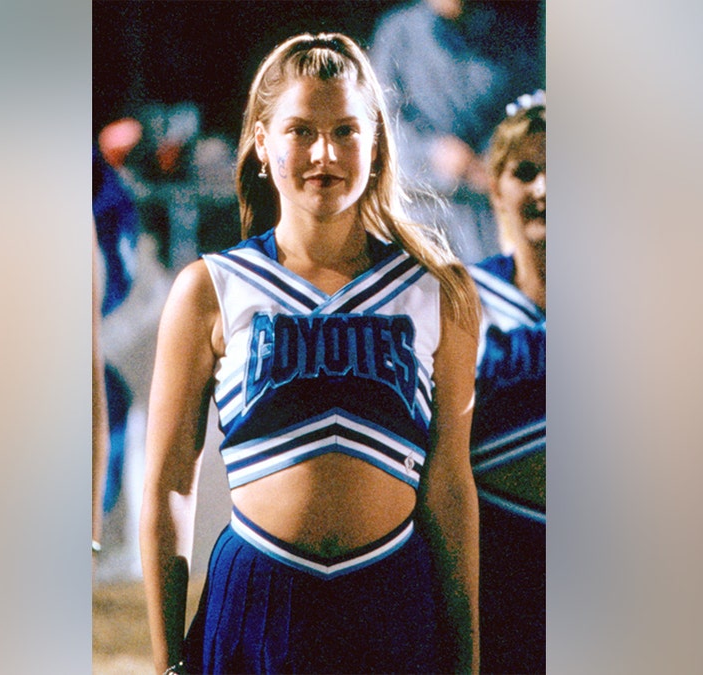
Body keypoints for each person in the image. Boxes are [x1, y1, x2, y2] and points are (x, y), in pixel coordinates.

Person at [141, 32, 481, 674]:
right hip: (255, 597)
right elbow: (169, 486)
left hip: (392, 598)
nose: (325, 153)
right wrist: (166, 662)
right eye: (301, 130)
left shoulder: (438, 289)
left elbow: (449, 485)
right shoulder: (211, 288)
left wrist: (466, 659)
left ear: (376, 145)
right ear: (261, 143)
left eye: (346, 131)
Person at [370, 0, 544, 264]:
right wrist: (434, 153)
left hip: (485, 218)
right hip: (418, 211)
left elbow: (526, 118)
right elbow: (379, 122)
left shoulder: (508, 39)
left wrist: (490, 160)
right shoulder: (397, 33)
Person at [468, 93, 546, 673]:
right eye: (525, 171)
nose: (545, 188)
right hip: (496, 576)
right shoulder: (460, 300)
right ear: (495, 187)